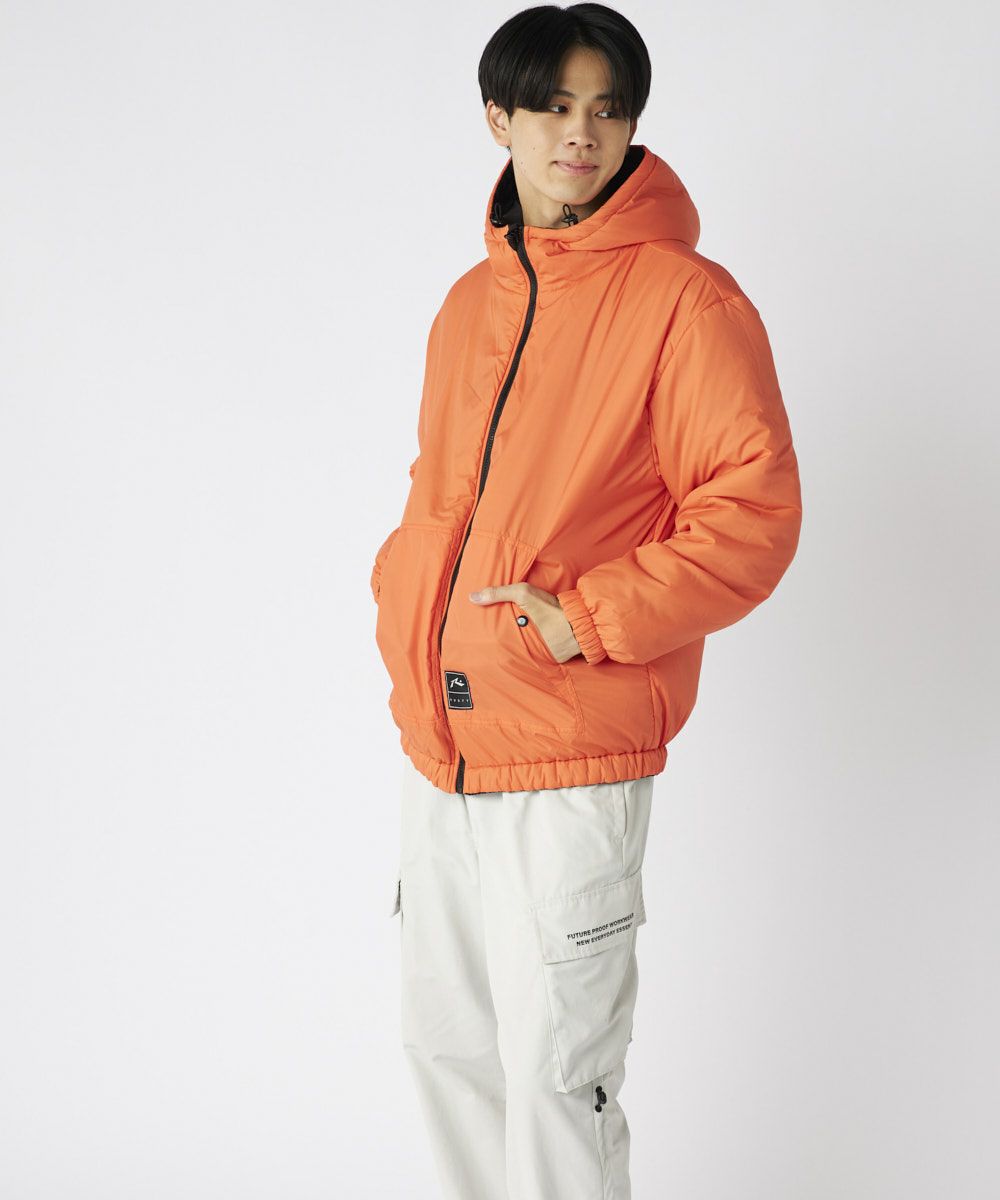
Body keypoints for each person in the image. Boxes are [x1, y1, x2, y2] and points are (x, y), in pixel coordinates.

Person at [371, 4, 803, 1196]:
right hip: (442, 746)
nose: (581, 133)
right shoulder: (470, 304)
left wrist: (583, 620)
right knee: (448, 1053)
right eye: (554, 106)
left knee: (560, 1074)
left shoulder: (686, 301)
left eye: (608, 109)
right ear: (498, 118)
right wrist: (399, 595)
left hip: (568, 747)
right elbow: (439, 495)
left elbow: (752, 512)